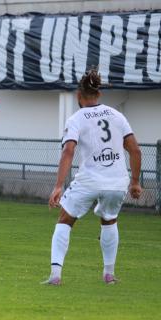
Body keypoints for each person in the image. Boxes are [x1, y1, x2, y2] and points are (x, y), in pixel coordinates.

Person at [43, 69, 142, 285]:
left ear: (79, 95)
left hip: (89, 180)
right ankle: (108, 274)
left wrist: (59, 185)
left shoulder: (76, 118)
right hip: (117, 181)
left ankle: (55, 275)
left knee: (65, 220)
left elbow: (68, 151)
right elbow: (135, 150)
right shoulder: (117, 116)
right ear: (99, 94)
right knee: (109, 220)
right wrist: (134, 181)